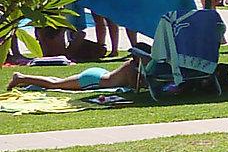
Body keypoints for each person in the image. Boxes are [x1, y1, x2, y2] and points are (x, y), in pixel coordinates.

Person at [6, 54, 142, 92]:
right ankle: (21, 77)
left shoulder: (132, 64)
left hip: (99, 74)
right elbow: (133, 87)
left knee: (59, 81)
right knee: (56, 84)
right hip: (93, 80)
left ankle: (28, 81)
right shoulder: (132, 67)